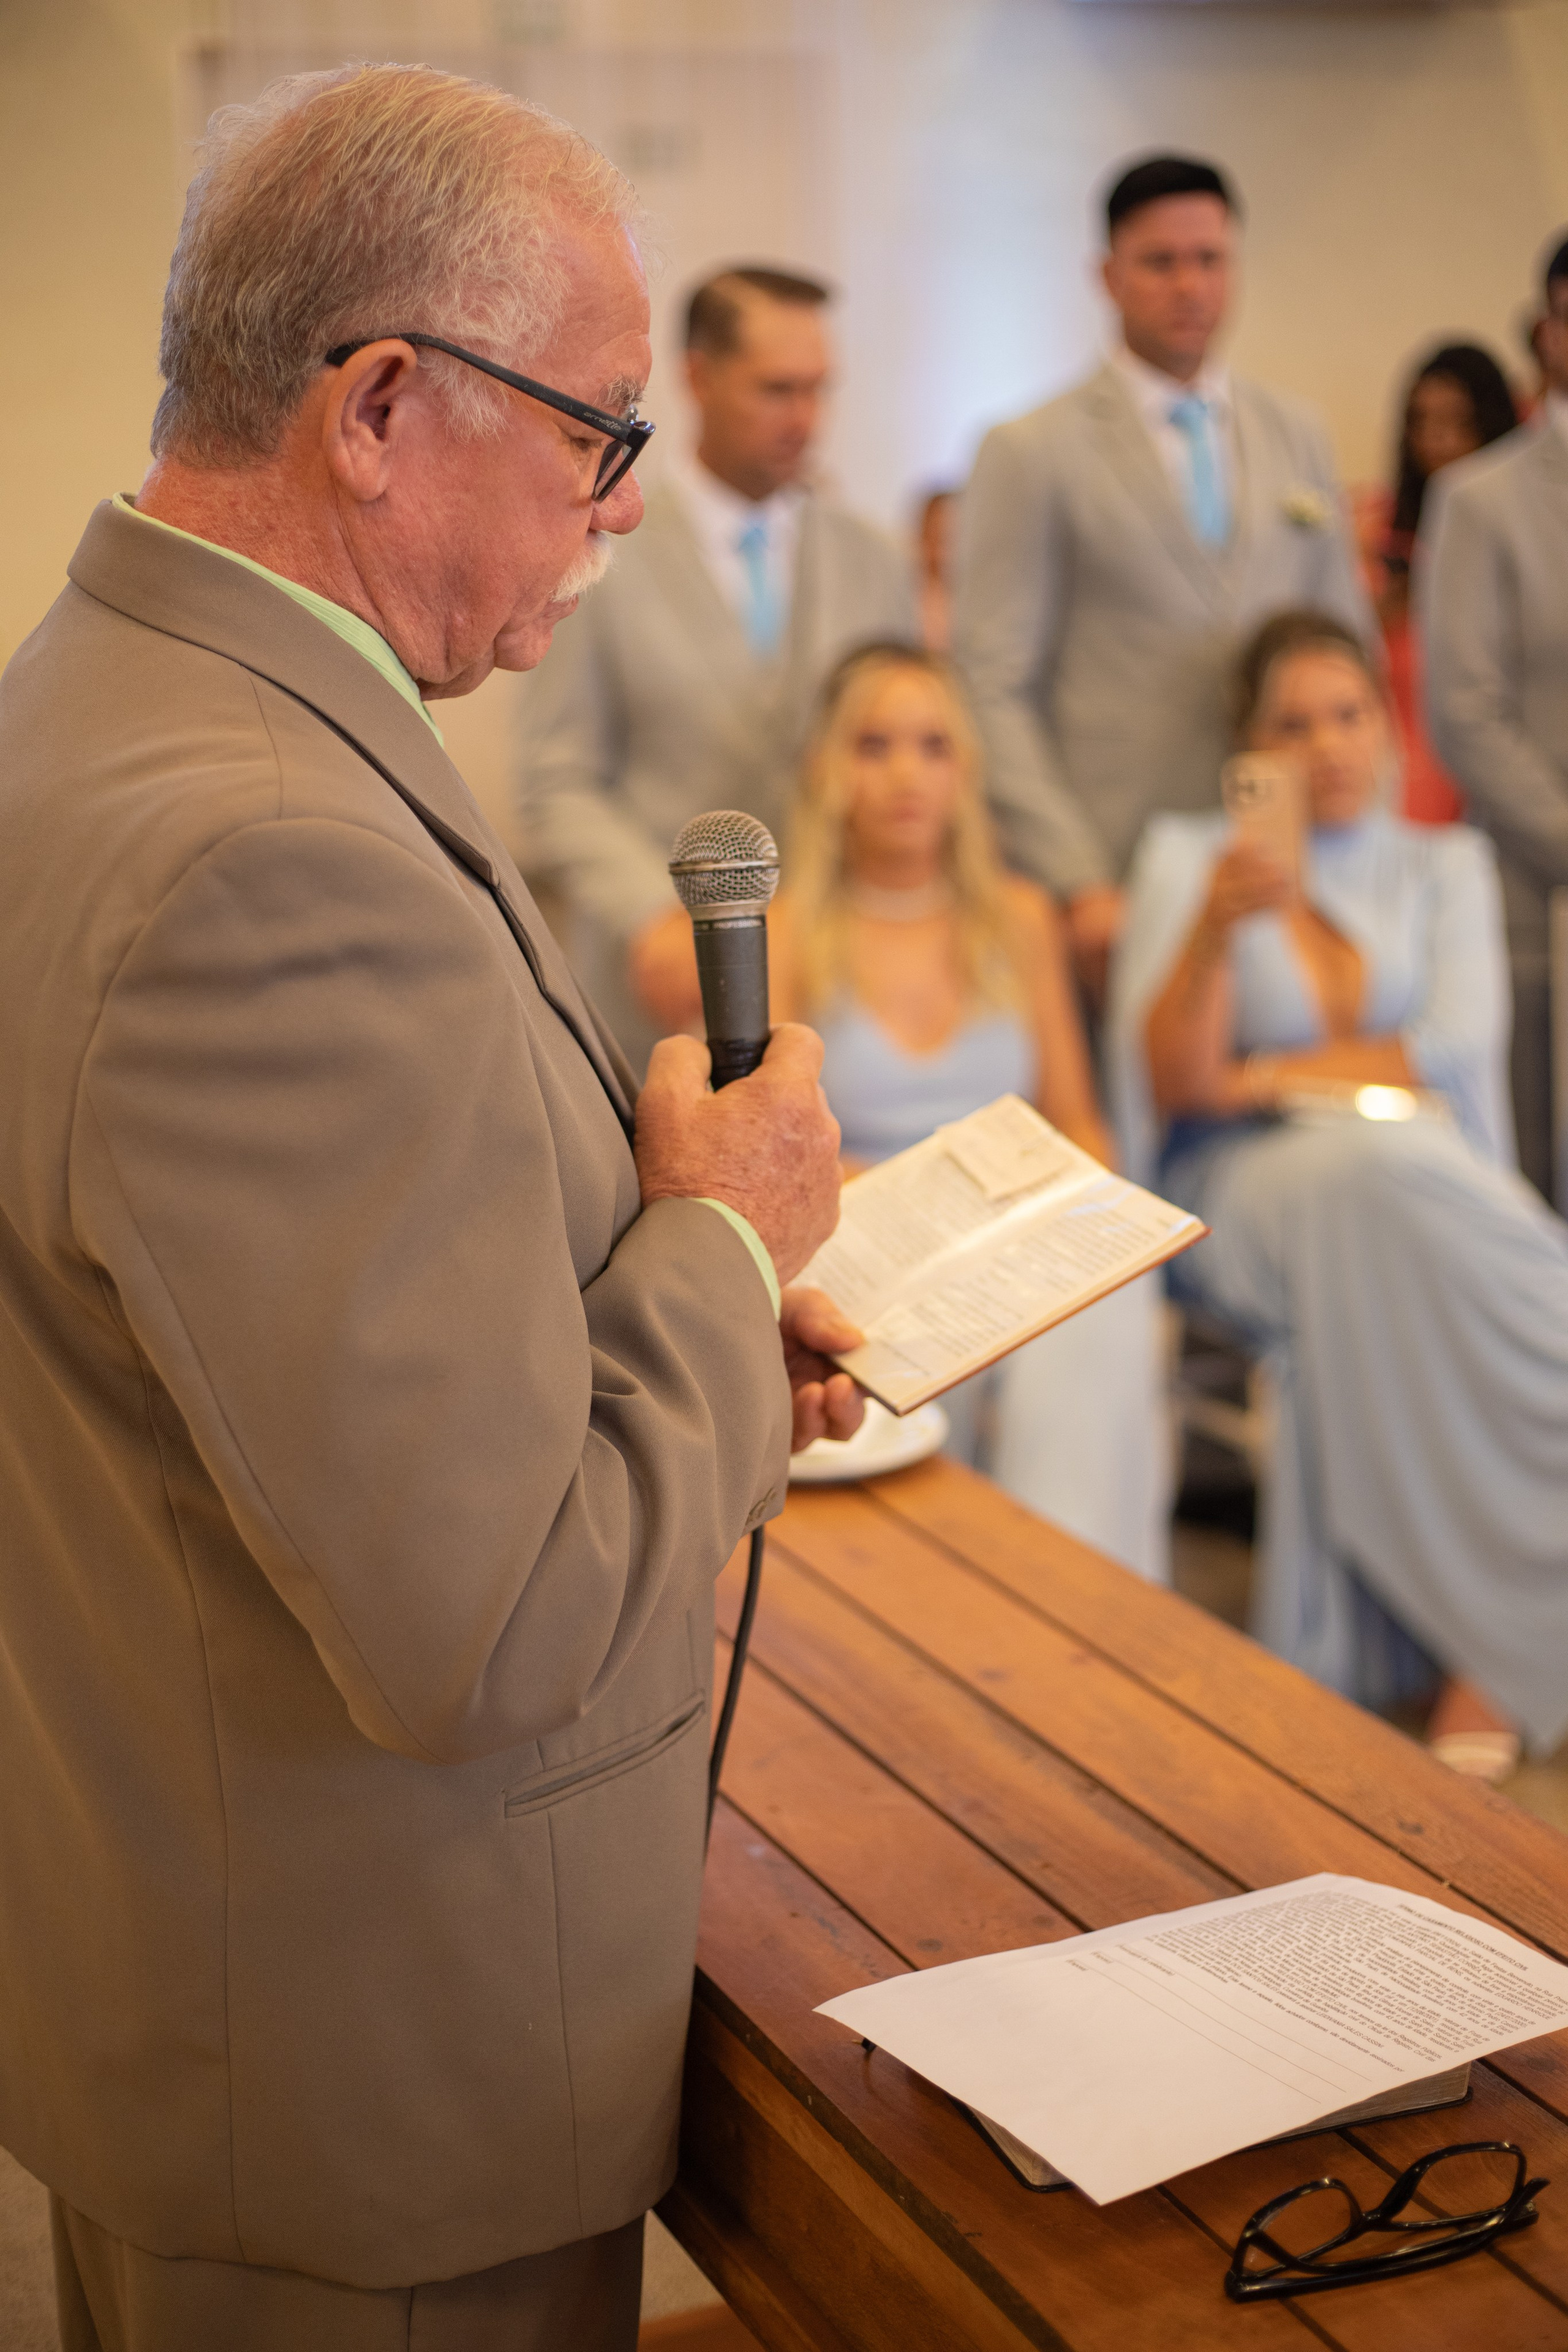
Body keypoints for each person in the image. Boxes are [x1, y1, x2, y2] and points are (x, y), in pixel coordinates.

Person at [0, 64, 862, 2352]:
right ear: (379, 404)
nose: (614, 507)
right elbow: (474, 1627)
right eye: (597, 428)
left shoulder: (93, 697)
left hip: (204, 1963)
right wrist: (716, 1244)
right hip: (363, 2083)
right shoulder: (267, 856)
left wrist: (654, 1311)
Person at [1108, 608, 1568, 1784]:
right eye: (1294, 724)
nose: (1329, 746)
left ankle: (1494, 1628)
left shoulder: (1443, 863)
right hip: (1242, 1186)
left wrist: (1263, 1077)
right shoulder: (1190, 858)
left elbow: (1450, 1052)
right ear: (1247, 751)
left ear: (1387, 723)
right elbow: (1175, 1085)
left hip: (1427, 1180)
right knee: (1376, 1171)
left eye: (1350, 714)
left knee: (1399, 1176)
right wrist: (1214, 932)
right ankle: (1501, 1643)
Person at [772, 643, 1172, 1580]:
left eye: (933, 745)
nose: (907, 773)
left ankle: (1077, 1599)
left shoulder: (1022, 920)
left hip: (1017, 1225)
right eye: (875, 745)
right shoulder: (787, 933)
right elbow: (769, 1156)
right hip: (863, 1232)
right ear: (828, 768)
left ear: (966, 770)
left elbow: (1080, 1121)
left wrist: (1089, 1222)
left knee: (1107, 1303)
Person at [954, 153, 1370, 1006]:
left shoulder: (1296, 434)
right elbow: (991, 685)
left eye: (1210, 259)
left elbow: (1343, 645)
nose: (1190, 285)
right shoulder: (1033, 449)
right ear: (1107, 275)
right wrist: (1078, 879)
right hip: (1124, 869)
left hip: (1290, 858)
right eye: (1161, 261)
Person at [514, 263, 916, 1071]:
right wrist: (650, 914)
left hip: (841, 997)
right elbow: (558, 778)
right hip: (656, 999)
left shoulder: (875, 559)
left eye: (819, 390)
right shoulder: (603, 546)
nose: (805, 418)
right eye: (777, 390)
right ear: (698, 376)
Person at [1424, 235, 1568, 1205]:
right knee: (1537, 1178)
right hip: (1535, 893)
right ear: (1547, 331)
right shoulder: (1483, 498)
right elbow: (1465, 708)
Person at [1357, 342, 1518, 825]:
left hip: (1494, 766)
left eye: (1458, 423)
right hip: (1402, 759)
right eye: (1421, 422)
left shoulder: (1518, 529)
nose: (1437, 441)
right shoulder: (1376, 527)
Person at [915, 484, 959, 650]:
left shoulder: (970, 595)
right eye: (937, 537)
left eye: (951, 539)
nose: (943, 551)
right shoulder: (911, 592)